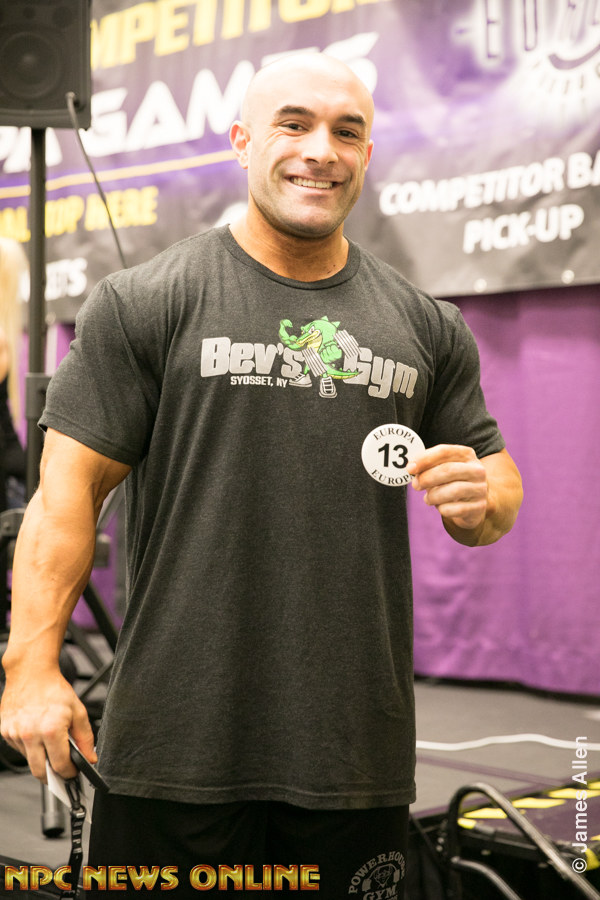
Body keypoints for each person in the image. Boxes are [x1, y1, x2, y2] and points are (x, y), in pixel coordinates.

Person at [0, 54, 522, 898]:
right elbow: (66, 497)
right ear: (243, 142)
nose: (321, 150)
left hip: (353, 750)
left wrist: (482, 499)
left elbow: (496, 484)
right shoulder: (145, 302)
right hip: (173, 747)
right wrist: (30, 668)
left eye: (346, 132)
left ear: (366, 154)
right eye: (294, 124)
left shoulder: (427, 325)